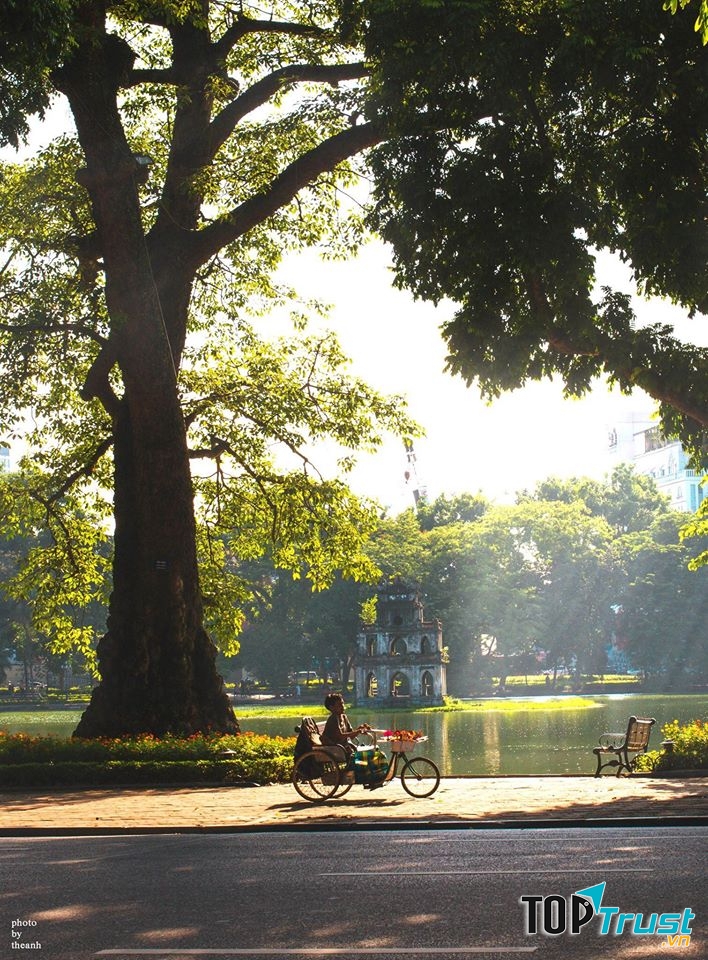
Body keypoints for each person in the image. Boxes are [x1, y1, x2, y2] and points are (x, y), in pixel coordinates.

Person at [321, 692, 370, 758]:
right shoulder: (333, 719)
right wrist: (358, 731)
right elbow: (340, 736)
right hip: (335, 749)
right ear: (331, 708)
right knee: (365, 757)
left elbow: (351, 735)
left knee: (371, 753)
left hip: (344, 748)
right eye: (339, 705)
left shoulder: (343, 716)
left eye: (342, 704)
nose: (343, 707)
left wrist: (360, 729)